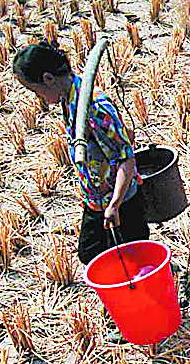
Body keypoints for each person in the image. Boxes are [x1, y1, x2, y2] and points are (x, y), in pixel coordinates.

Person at [12, 40, 147, 266]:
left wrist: (114, 205)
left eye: (36, 91)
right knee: (94, 254)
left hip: (120, 200)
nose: (39, 98)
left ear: (48, 79)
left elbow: (127, 158)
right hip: (96, 198)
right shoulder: (70, 100)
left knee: (132, 259)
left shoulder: (94, 108)